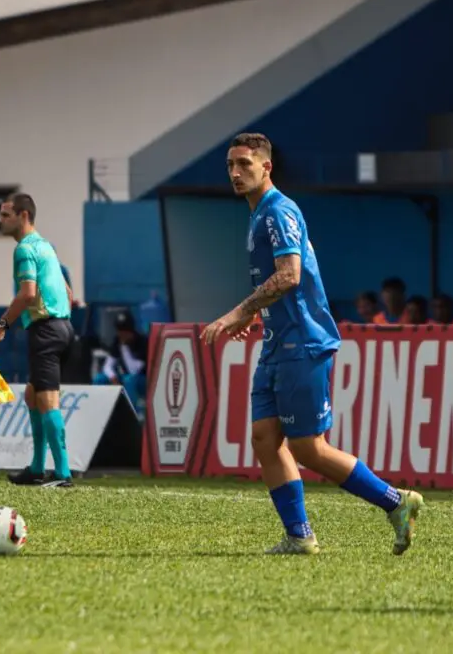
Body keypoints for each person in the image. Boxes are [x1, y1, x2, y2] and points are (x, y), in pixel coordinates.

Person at [201, 132, 423, 556]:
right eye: (230, 165)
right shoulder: (258, 215)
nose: (235, 172)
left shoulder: (278, 211)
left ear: (266, 167)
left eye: (245, 164)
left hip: (303, 343)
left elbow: (289, 275)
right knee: (265, 439)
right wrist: (253, 314)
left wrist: (236, 312)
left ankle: (397, 502)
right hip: (276, 343)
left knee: (309, 448)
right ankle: (299, 536)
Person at [0, 193, 75, 489]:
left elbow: (26, 294)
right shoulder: (46, 246)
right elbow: (67, 291)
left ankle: (63, 474)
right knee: (32, 395)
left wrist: (1, 326)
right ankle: (37, 468)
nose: (0, 221)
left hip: (46, 331)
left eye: (5, 215)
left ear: (24, 215)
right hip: (62, 327)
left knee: (48, 401)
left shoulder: (24, 249)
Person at [94, 311, 148, 420]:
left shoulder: (142, 342)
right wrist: (112, 377)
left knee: (129, 379)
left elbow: (134, 369)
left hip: (142, 380)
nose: (121, 334)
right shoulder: (117, 341)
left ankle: (130, 415)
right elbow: (107, 366)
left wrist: (124, 347)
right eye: (119, 331)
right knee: (100, 378)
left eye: (124, 331)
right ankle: (98, 413)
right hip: (125, 377)